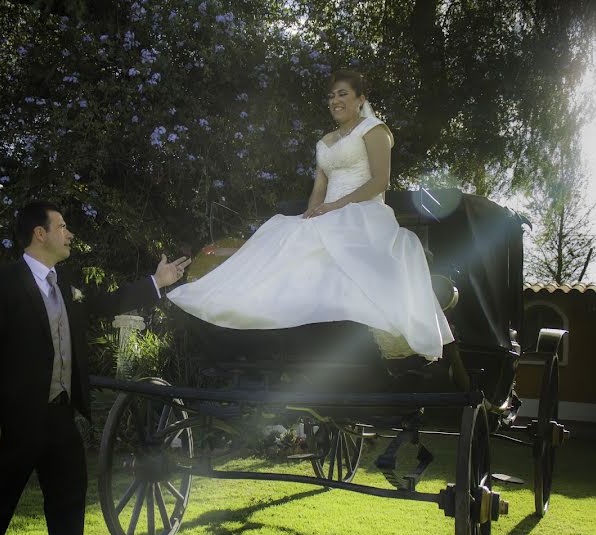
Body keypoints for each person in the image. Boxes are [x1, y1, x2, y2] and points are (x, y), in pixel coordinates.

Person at [0, 201, 191, 535]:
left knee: (68, 503)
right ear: (40, 233)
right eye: (62, 226)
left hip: (60, 416)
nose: (69, 234)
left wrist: (158, 282)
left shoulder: (64, 285)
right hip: (16, 421)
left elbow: (104, 305)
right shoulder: (1, 284)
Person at [167, 70, 454, 360]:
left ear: (360, 99)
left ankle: (362, 333)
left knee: (342, 251)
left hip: (363, 211)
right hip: (327, 212)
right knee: (285, 235)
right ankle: (259, 325)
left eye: (343, 94)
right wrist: (311, 214)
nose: (335, 100)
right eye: (331, 96)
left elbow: (380, 181)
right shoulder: (325, 141)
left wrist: (335, 206)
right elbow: (320, 186)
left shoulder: (374, 129)